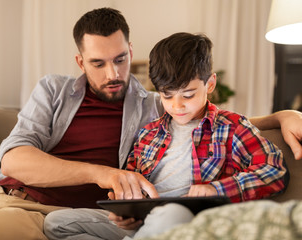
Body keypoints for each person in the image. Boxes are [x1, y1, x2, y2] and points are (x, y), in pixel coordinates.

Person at [0, 7, 301, 240]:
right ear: (80, 62)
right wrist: (108, 179)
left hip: (29, 212)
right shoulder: (56, 90)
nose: (113, 73)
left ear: (130, 51)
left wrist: (283, 114)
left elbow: (210, 123)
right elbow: (13, 160)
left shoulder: (148, 107)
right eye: (98, 63)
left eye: (120, 59)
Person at [43, 32, 289, 240]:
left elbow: (275, 171)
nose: (177, 105)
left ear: (210, 84)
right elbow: (131, 183)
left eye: (188, 95)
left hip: (186, 219)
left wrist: (219, 189)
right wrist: (126, 210)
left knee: (172, 213)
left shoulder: (232, 127)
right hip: (143, 221)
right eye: (167, 95)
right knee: (57, 222)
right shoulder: (148, 133)